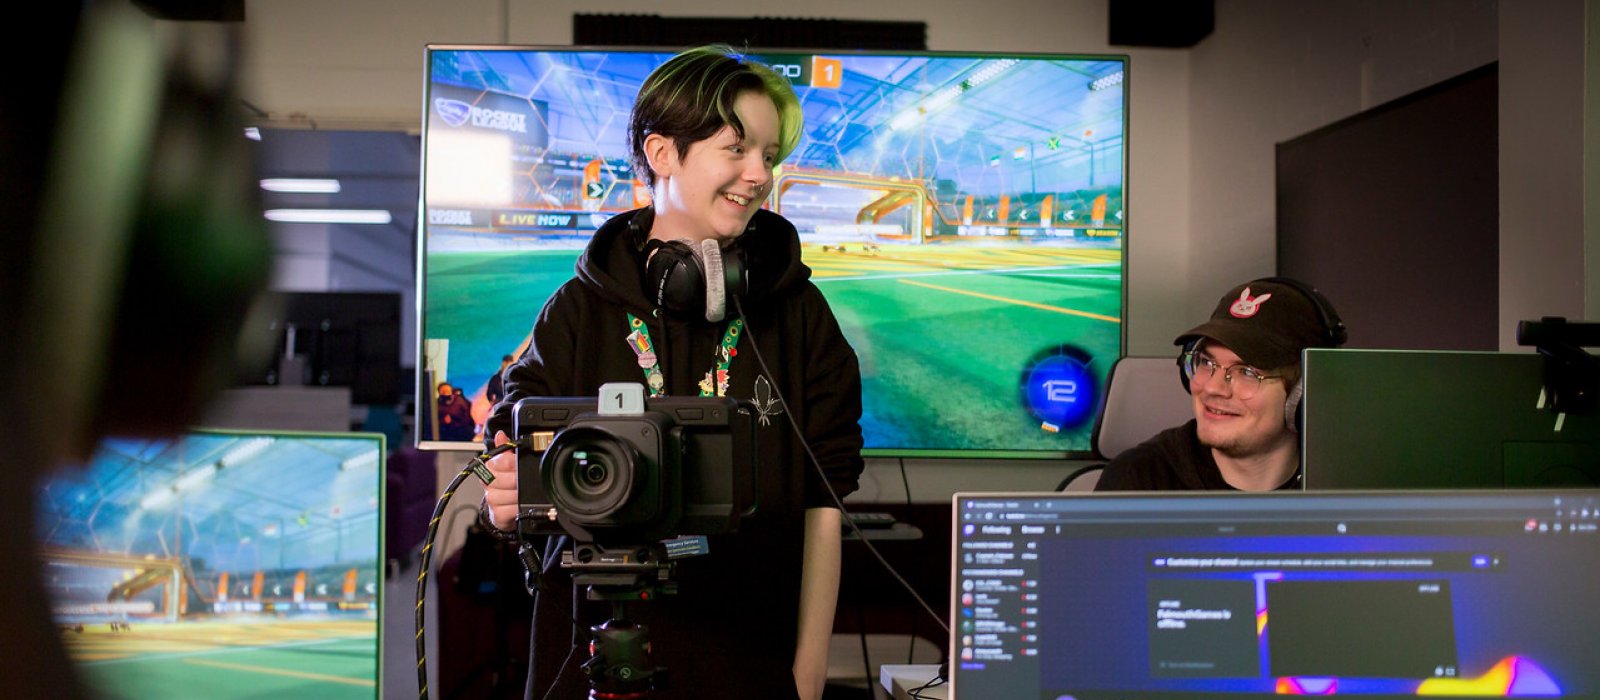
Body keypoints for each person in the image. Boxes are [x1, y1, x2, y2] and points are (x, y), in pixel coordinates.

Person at [478, 45, 864, 700]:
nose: (758, 174)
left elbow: (824, 506)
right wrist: (502, 503)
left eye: (768, 156)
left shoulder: (798, 313)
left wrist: (807, 676)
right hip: (589, 669)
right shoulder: (578, 311)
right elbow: (508, 463)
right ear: (662, 154)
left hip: (750, 670)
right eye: (736, 149)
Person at [1095, 277, 1346, 491]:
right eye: (1206, 362)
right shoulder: (1136, 483)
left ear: (1303, 393)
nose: (1213, 388)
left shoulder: (1351, 485)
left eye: (1247, 371)